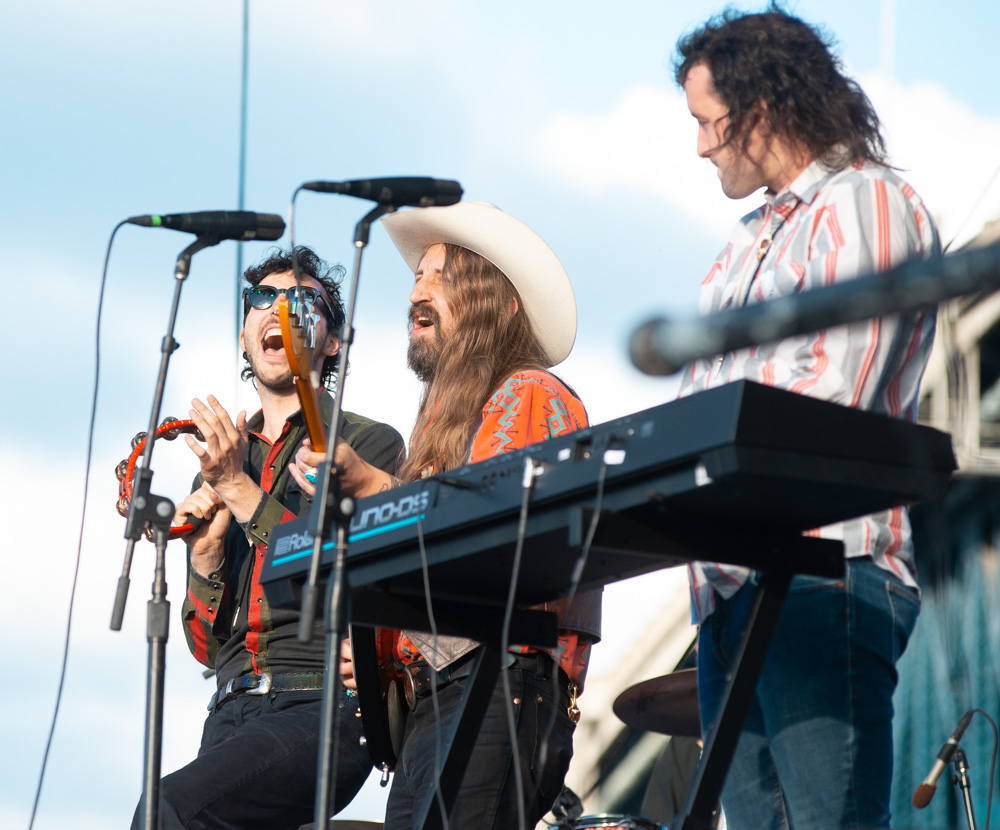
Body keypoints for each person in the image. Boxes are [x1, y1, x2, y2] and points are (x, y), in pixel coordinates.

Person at [673, 8, 939, 830]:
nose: (700, 147)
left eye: (707, 122)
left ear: (759, 108)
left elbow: (823, 406)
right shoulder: (742, 246)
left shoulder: (867, 204)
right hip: (732, 588)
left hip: (826, 578)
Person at [291, 202, 602, 830]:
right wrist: (382, 647)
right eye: (415, 278)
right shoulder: (443, 422)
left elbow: (496, 538)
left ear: (500, 304)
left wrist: (376, 484)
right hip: (442, 699)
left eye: (441, 276)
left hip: (499, 685)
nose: (418, 291)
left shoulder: (529, 393)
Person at [130, 247, 405, 830]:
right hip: (231, 709)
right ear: (244, 336)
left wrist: (238, 489)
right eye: (262, 300)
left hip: (323, 704)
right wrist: (205, 557)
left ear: (332, 341)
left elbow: (337, 570)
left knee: (167, 810)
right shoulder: (228, 459)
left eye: (301, 301)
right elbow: (206, 647)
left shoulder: (367, 446)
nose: (277, 311)